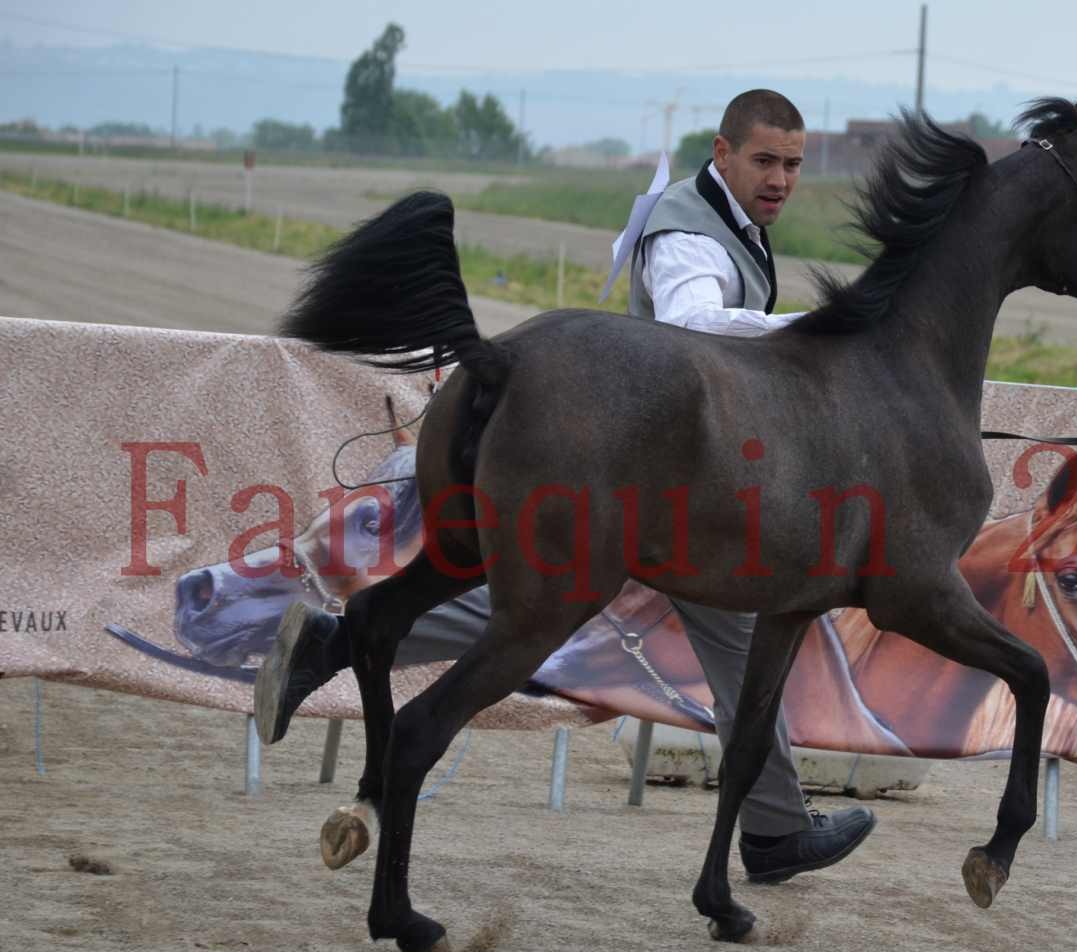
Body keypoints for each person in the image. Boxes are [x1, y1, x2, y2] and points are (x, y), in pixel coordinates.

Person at [255, 88, 875, 884]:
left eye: (791, 163)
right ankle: (775, 833)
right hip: (667, 485)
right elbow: (693, 322)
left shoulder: (730, 223)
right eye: (764, 160)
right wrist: (817, 335)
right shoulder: (689, 231)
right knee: (570, 619)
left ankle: (340, 639)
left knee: (546, 609)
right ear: (721, 153)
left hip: (676, 473)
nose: (780, 178)